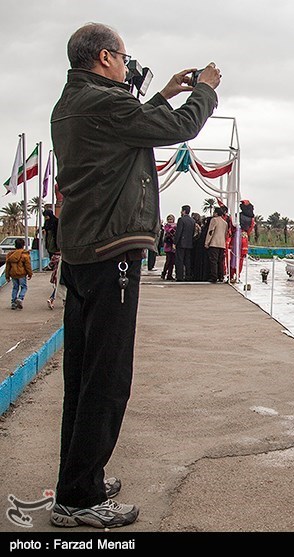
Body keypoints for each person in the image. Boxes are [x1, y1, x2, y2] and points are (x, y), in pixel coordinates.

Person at [49, 22, 221, 528]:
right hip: (112, 253)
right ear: (104, 57)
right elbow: (177, 129)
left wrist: (164, 91)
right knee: (107, 377)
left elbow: (137, 122)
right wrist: (205, 90)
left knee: (82, 377)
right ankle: (79, 499)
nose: (127, 65)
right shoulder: (105, 103)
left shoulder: (73, 101)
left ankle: (77, 478)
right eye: (123, 57)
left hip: (84, 252)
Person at [4, 238, 33, 310]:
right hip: (22, 274)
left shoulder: (10, 255)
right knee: (24, 287)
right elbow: (28, 266)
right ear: (23, 245)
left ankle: (13, 303)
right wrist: (30, 274)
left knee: (15, 287)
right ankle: (20, 298)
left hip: (13, 274)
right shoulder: (25, 255)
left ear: (15, 245)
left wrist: (7, 276)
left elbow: (7, 267)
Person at [205, 206, 228, 283]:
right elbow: (225, 234)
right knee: (220, 261)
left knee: (213, 261)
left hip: (214, 243)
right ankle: (221, 276)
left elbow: (210, 232)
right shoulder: (225, 223)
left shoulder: (214, 220)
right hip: (222, 244)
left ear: (216, 213)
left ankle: (214, 276)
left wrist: (207, 242)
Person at [174, 205, 195, 281]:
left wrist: (175, 242)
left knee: (179, 260)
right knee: (187, 261)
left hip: (181, 243)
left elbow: (178, 232)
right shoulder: (192, 221)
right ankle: (188, 276)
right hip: (189, 243)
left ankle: (180, 276)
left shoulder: (181, 220)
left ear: (184, 211)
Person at [161, 214, 177, 280]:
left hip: (173, 245)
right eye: (169, 219)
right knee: (168, 261)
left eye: (171, 219)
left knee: (172, 261)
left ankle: (169, 275)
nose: (170, 221)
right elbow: (169, 231)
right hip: (168, 245)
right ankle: (164, 273)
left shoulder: (176, 225)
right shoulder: (166, 226)